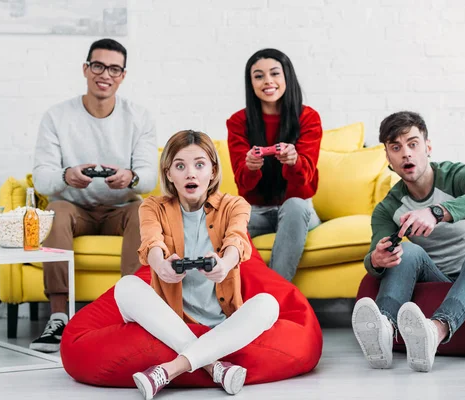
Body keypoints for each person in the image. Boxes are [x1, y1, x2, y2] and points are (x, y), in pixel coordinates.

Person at [114, 130, 279, 398]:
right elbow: (151, 242)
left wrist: (224, 265)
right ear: (168, 173)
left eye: (199, 165)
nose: (190, 173)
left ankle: (167, 371)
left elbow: (237, 241)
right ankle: (216, 367)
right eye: (180, 166)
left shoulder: (235, 205)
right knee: (126, 286)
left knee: (268, 305)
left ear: (213, 171)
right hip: (172, 319)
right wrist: (161, 264)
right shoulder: (151, 207)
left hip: (220, 322)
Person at [352, 111, 465, 372]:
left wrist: (437, 212)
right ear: (388, 158)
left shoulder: (458, 175)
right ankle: (384, 328)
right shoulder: (388, 207)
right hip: (442, 278)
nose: (406, 153)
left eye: (413, 144)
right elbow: (374, 255)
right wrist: (376, 259)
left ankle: (435, 330)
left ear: (427, 147)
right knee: (407, 249)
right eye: (396, 147)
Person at [31, 38, 158, 352]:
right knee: (56, 211)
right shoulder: (57, 116)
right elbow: (42, 179)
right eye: (99, 66)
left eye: (114, 68)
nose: (106, 74)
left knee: (142, 211)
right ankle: (59, 316)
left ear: (123, 75)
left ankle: (130, 311)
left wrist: (131, 177)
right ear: (86, 69)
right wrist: (66, 175)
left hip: (120, 208)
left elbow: (150, 178)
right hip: (75, 208)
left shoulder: (138, 117)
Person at [227, 48, 322, 281]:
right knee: (225, 221)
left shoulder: (308, 118)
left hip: (298, 211)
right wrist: (249, 166)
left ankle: (275, 295)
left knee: (296, 206)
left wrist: (295, 161)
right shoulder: (238, 122)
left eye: (274, 74)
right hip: (257, 211)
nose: (268, 81)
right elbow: (242, 184)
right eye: (258, 76)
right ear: (251, 83)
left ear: (287, 77)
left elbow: (304, 180)